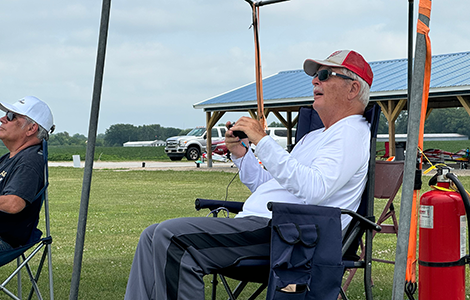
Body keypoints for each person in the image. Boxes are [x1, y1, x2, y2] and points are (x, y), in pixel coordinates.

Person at [124, 50, 374, 300]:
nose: (314, 81)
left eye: (324, 74)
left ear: (352, 89)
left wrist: (263, 141)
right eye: (316, 75)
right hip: (271, 227)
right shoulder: (315, 137)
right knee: (151, 235)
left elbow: (314, 189)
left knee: (173, 237)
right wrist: (242, 154)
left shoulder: (351, 133)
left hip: (294, 239)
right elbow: (275, 187)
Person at [0, 96, 54, 252]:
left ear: (31, 129)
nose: (3, 119)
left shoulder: (29, 161)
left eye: (11, 116)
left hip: (5, 239)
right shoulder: (10, 158)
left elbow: (13, 204)